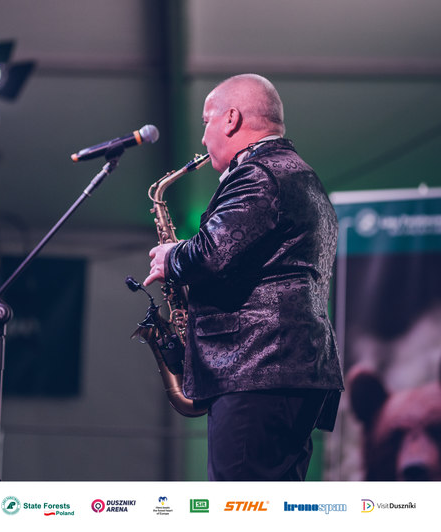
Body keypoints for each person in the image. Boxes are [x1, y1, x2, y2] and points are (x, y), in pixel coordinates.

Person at [143, 73, 344, 481]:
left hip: (257, 369)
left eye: (207, 122)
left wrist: (170, 256)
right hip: (290, 371)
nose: (203, 138)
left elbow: (212, 253)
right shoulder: (300, 175)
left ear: (232, 119)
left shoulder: (259, 173)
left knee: (238, 504)